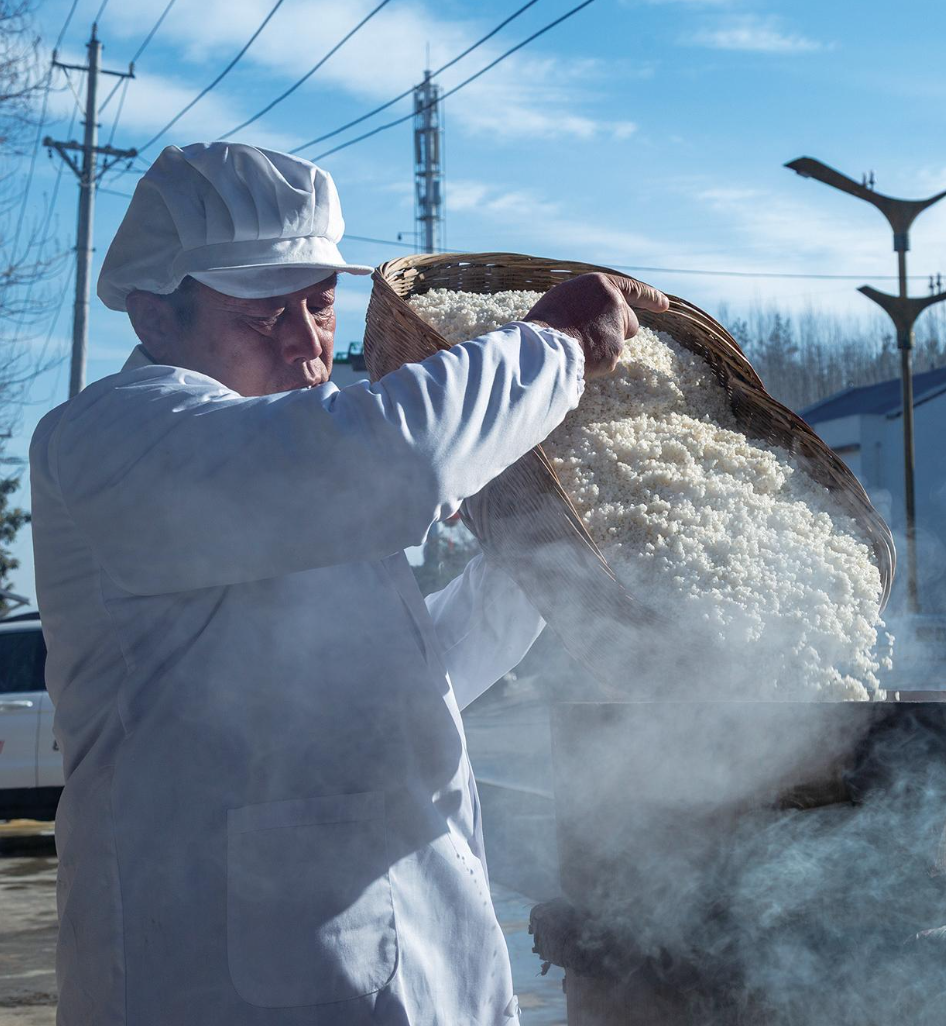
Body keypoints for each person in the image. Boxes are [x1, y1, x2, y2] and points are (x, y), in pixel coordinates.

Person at [29, 142, 667, 1025]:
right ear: (154, 318)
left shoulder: (293, 471)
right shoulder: (114, 439)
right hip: (214, 987)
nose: (306, 342)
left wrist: (537, 562)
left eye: (322, 304)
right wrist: (552, 346)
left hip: (418, 971)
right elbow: (390, 456)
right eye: (261, 315)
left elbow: (400, 681)